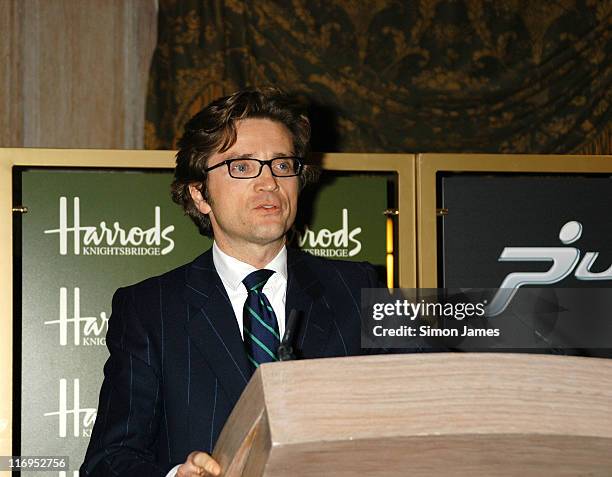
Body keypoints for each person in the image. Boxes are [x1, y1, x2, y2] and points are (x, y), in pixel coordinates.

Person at [80, 88, 380, 477]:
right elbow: (108, 462)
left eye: (283, 165)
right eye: (242, 167)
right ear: (199, 194)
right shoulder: (150, 309)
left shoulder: (357, 289)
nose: (269, 182)